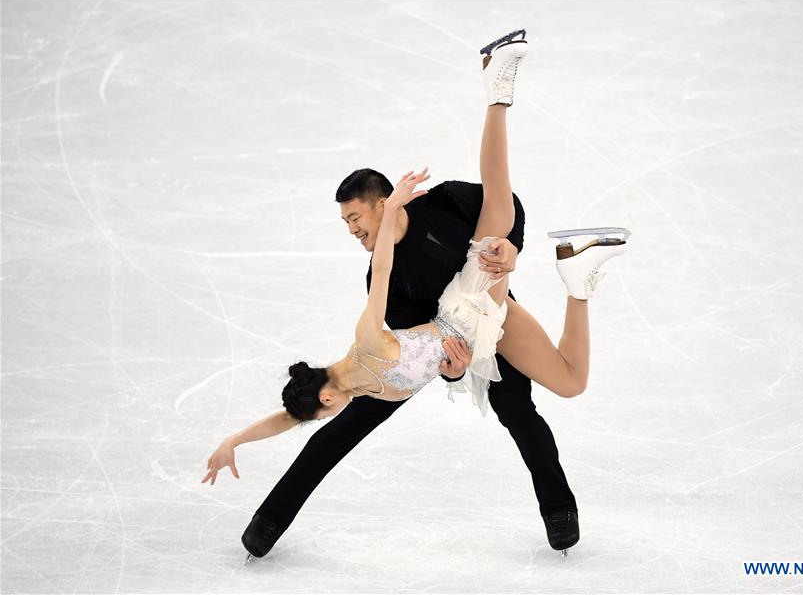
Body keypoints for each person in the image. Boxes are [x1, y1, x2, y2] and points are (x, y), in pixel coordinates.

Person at [202, 29, 628, 559]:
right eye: (346, 223)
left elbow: (508, 204)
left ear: (381, 204)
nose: (351, 230)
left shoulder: (443, 203)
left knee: (522, 403)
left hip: (485, 301)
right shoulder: (380, 295)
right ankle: (267, 523)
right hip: (454, 333)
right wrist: (452, 368)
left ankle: (498, 90)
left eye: (356, 217)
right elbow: (422, 346)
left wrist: (512, 253)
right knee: (335, 434)